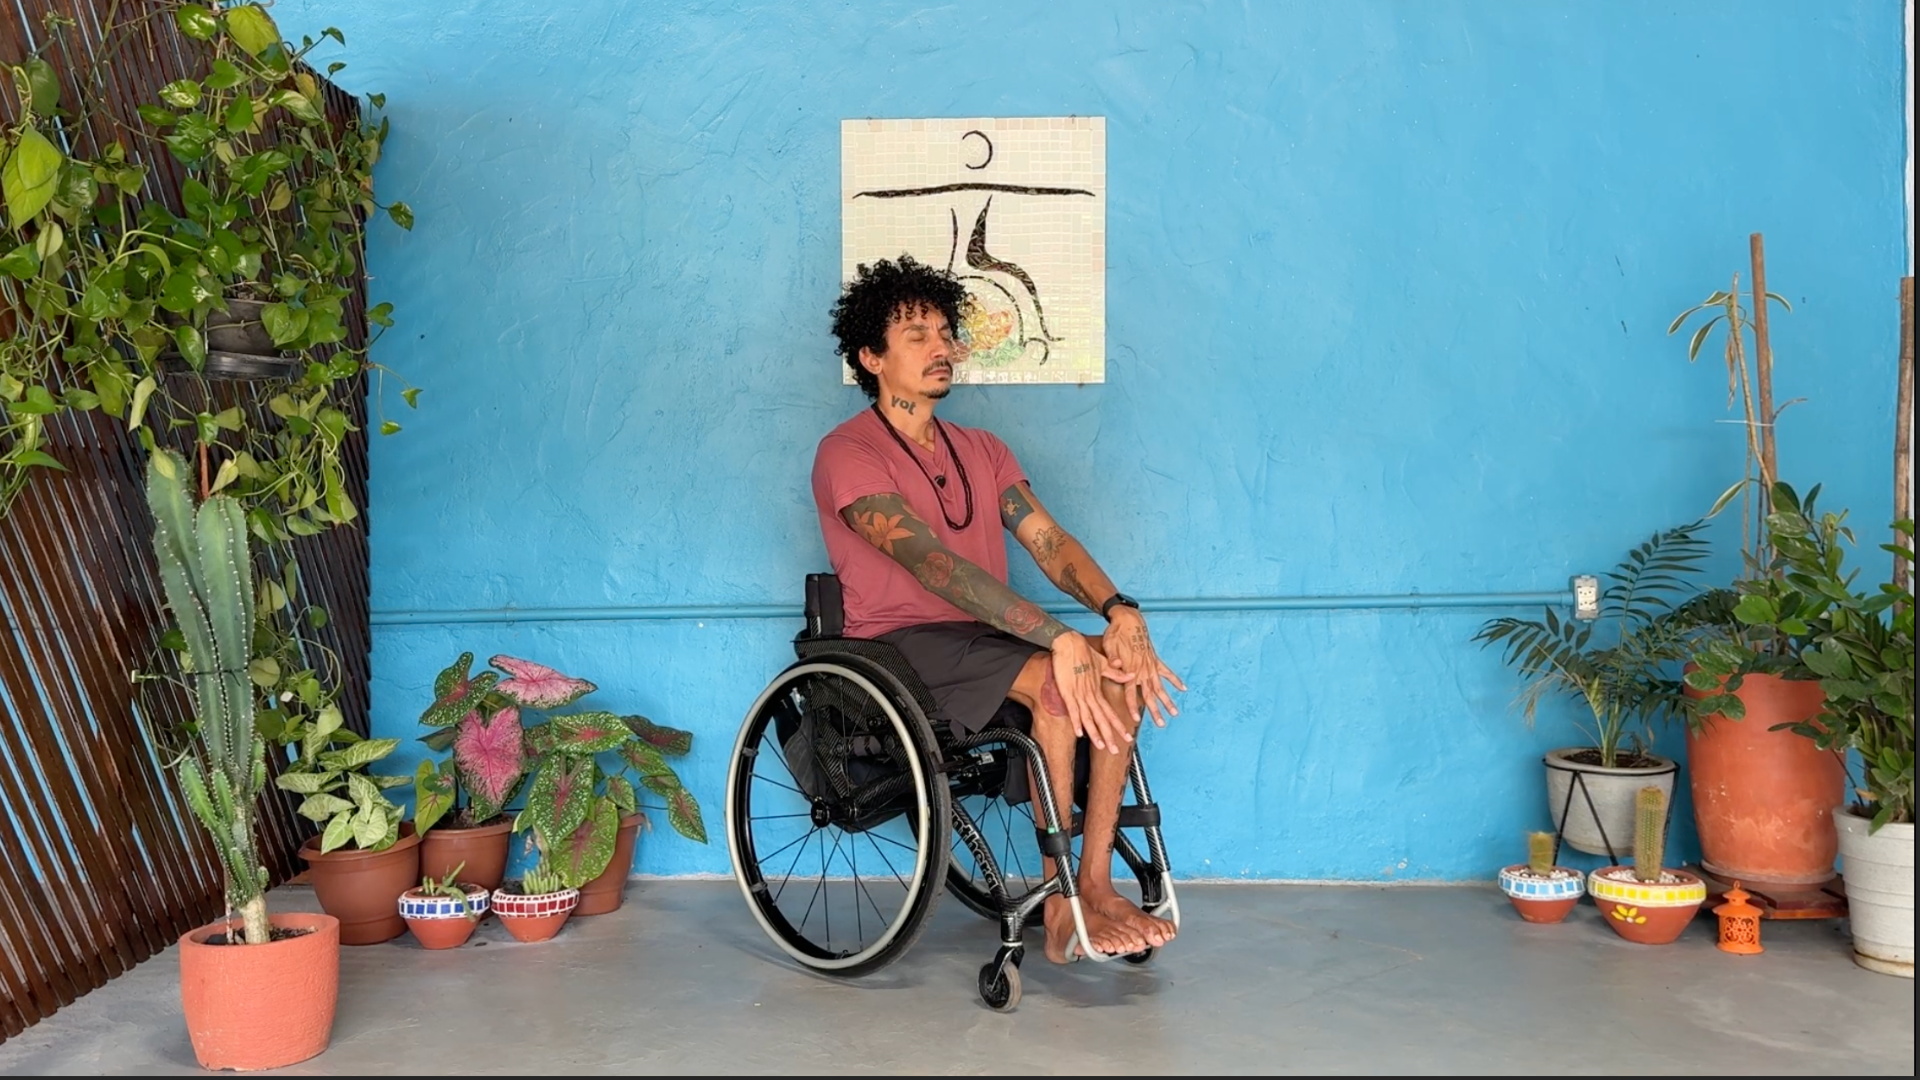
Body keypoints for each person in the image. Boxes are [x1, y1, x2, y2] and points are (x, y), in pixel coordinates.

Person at [810, 255, 1186, 962]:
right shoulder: (847, 452)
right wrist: (1056, 638)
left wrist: (1116, 612)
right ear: (871, 355)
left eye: (946, 332)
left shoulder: (982, 449)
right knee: (1058, 676)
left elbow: (1049, 542)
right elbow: (932, 563)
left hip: (987, 637)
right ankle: (1060, 904)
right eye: (916, 333)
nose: (940, 346)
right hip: (900, 646)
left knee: (1115, 671)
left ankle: (1096, 887)